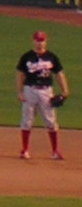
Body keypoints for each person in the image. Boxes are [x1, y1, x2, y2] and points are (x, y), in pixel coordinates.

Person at [17, 29, 67, 160]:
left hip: (46, 91)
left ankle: (55, 151)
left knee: (51, 121)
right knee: (27, 121)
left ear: (46, 41)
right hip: (30, 90)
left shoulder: (52, 57)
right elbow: (21, 75)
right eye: (38, 40)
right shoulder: (26, 57)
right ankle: (25, 150)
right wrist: (20, 91)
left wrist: (65, 90)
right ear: (33, 41)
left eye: (42, 40)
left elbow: (59, 74)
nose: (40, 43)